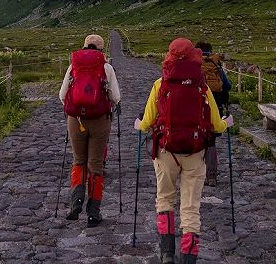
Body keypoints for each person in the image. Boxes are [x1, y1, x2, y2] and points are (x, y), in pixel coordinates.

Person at [134, 38, 233, 264]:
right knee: (191, 207)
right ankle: (189, 256)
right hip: (195, 154)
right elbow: (217, 125)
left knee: (165, 199)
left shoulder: (160, 84)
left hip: (165, 152)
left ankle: (167, 254)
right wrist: (228, 122)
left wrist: (138, 124)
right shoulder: (202, 86)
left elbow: (147, 122)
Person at [59, 33, 121, 227]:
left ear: (84, 46)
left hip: (76, 120)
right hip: (100, 121)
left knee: (79, 160)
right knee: (96, 164)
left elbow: (62, 95)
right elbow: (116, 96)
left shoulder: (74, 66)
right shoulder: (106, 67)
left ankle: (76, 202)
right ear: (102, 49)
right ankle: (93, 212)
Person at [195, 41, 232, 186]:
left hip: (197, 108)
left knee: (196, 139)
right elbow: (227, 86)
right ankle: (211, 176)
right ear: (210, 51)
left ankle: (196, 173)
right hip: (215, 108)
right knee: (211, 142)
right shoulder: (215, 65)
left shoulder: (194, 65)